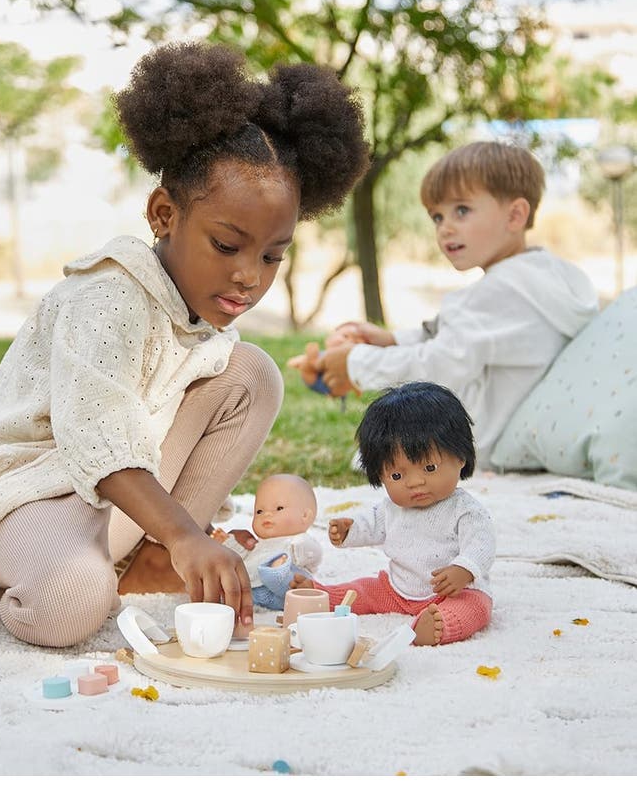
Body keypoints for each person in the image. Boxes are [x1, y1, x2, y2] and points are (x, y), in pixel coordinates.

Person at [0, 43, 369, 648]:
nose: (250, 275)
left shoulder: (196, 312)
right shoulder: (106, 297)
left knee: (252, 372)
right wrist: (185, 534)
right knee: (68, 604)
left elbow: (157, 433)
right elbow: (98, 438)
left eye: (272, 255)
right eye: (227, 246)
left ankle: (149, 565)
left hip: (119, 500)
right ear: (163, 214)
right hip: (34, 494)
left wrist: (177, 536)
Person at [288, 141, 599, 467]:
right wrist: (392, 340)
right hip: (524, 432)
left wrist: (357, 364)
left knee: (390, 452)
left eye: (461, 210)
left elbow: (439, 367)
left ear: (515, 215)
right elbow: (460, 337)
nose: (445, 228)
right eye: (437, 216)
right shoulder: (544, 279)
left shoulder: (499, 291)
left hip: (480, 447)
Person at [296, 381, 496, 646]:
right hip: (397, 588)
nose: (414, 482)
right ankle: (322, 597)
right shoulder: (392, 508)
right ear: (380, 474)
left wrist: (464, 569)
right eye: (397, 475)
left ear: (460, 457)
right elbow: (373, 524)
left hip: (454, 592)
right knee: (364, 590)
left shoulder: (465, 510)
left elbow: (481, 543)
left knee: (476, 608)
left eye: (429, 468)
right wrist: (350, 531)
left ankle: (440, 625)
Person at [211, 473, 322, 609]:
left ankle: (276, 573)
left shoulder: (299, 540)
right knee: (231, 582)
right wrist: (227, 542)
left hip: (285, 589)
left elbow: (314, 554)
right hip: (254, 590)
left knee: (285, 581)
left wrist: (296, 550)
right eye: (259, 511)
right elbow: (244, 555)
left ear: (305, 516)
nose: (267, 514)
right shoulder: (259, 544)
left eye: (279, 508)